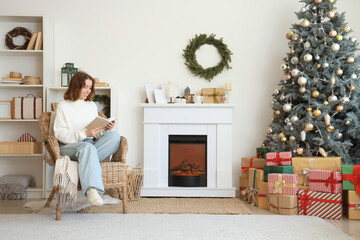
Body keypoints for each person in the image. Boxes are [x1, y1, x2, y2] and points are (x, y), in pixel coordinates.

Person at [53, 71, 120, 206]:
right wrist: (84, 134)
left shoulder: (91, 106)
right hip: (69, 146)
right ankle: (91, 190)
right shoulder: (63, 106)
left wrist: (105, 128)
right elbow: (59, 134)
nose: (88, 91)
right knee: (87, 147)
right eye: (85, 87)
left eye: (90, 88)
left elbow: (94, 133)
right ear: (76, 86)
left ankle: (87, 161)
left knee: (114, 136)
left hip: (89, 145)